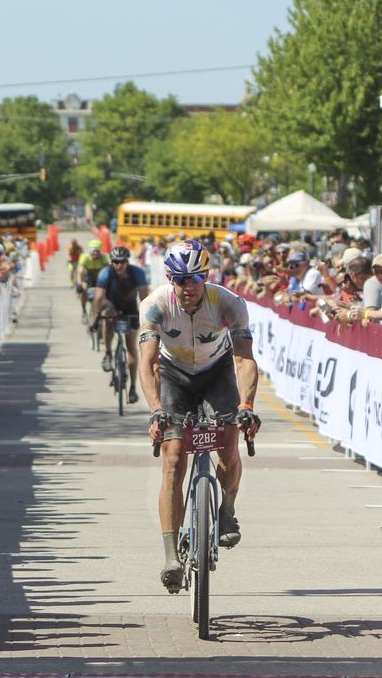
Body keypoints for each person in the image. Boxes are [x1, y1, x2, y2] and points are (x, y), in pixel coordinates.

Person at [137, 240, 261, 592]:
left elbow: (244, 359)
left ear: (206, 277)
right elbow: (147, 363)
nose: (187, 288)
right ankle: (170, 555)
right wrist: (156, 411)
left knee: (229, 442)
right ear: (169, 278)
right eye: (179, 280)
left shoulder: (229, 304)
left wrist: (246, 406)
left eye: (194, 279)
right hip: (175, 376)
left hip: (217, 371)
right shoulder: (156, 305)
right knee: (173, 460)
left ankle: (227, 509)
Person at [92, 245, 150, 402]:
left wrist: (147, 319)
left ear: (127, 262)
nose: (119, 265)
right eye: (115, 262)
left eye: (122, 262)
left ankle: (132, 388)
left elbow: (145, 297)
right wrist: (96, 317)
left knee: (131, 347)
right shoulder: (105, 273)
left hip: (131, 309)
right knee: (107, 317)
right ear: (111, 262)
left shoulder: (137, 273)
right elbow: (98, 297)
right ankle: (108, 353)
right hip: (111, 306)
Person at [76, 240, 108, 322]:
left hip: (99, 277)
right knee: (83, 288)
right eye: (93, 251)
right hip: (88, 277)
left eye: (97, 251)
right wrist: (80, 284)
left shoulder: (103, 257)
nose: (95, 254)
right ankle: (84, 311)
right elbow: (80, 271)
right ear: (90, 251)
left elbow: (108, 270)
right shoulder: (84, 257)